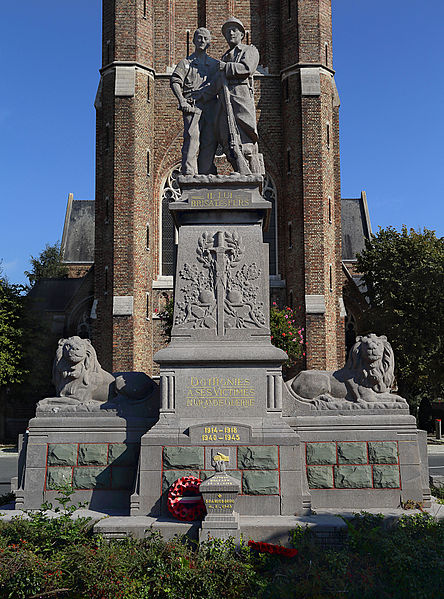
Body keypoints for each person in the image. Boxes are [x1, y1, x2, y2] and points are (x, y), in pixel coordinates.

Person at [216, 17, 262, 174]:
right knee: (226, 137)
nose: (230, 33)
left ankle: (250, 174)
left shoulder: (249, 50)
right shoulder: (225, 57)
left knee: (245, 138)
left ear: (242, 34)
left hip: (240, 96)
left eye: (234, 30)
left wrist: (226, 68)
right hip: (225, 99)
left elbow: (247, 68)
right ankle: (239, 170)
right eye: (228, 31)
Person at [170, 28, 219, 175]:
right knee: (192, 138)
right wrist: (182, 101)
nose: (202, 41)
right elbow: (175, 81)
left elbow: (222, 82)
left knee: (210, 140)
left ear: (209, 42)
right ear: (193, 40)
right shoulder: (186, 63)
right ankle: (189, 174)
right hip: (192, 106)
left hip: (210, 106)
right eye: (199, 38)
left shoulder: (214, 64)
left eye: (205, 38)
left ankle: (204, 173)